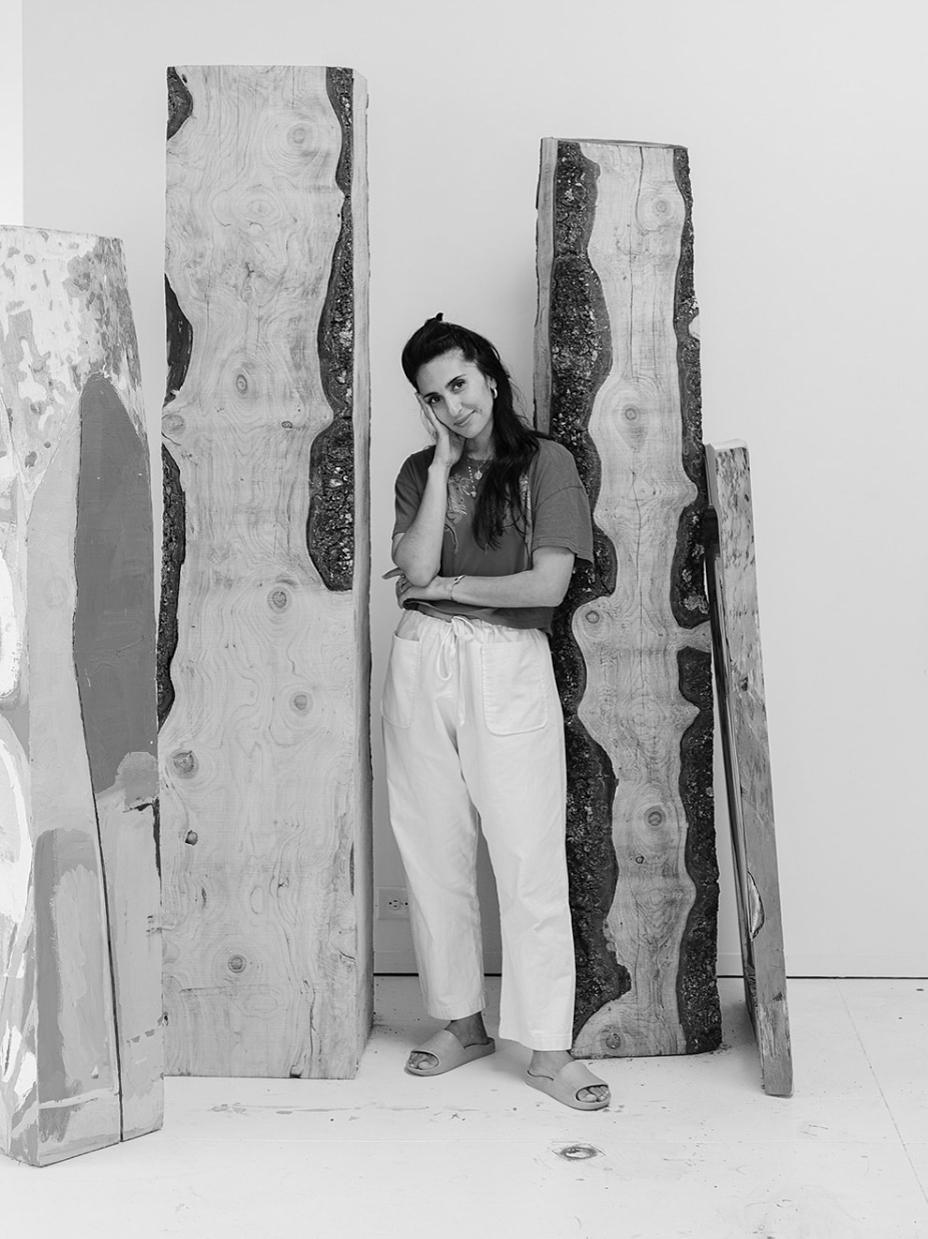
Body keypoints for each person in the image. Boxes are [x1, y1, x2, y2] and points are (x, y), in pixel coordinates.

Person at [380, 314, 610, 1111]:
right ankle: (460, 1021)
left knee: (526, 852)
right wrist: (443, 467)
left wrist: (446, 587)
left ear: (489, 375)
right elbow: (411, 561)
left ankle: (548, 1046)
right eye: (433, 397)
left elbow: (545, 585)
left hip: (507, 661)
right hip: (421, 658)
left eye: (459, 384)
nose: (453, 405)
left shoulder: (546, 464)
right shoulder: (420, 471)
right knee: (432, 847)